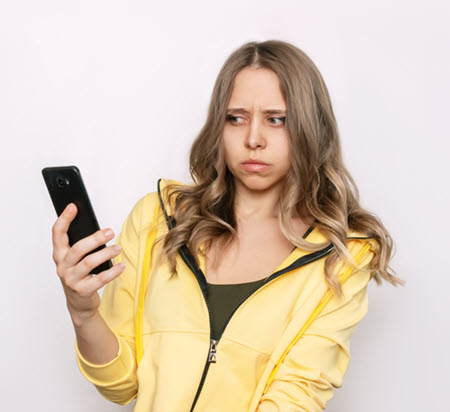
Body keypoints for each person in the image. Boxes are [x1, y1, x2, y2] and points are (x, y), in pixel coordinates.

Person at [51, 40, 405, 411]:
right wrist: (83, 310)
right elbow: (120, 385)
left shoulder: (342, 256)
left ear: (309, 127)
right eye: (235, 117)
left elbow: (296, 397)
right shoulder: (156, 220)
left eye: (276, 119)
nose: (253, 139)